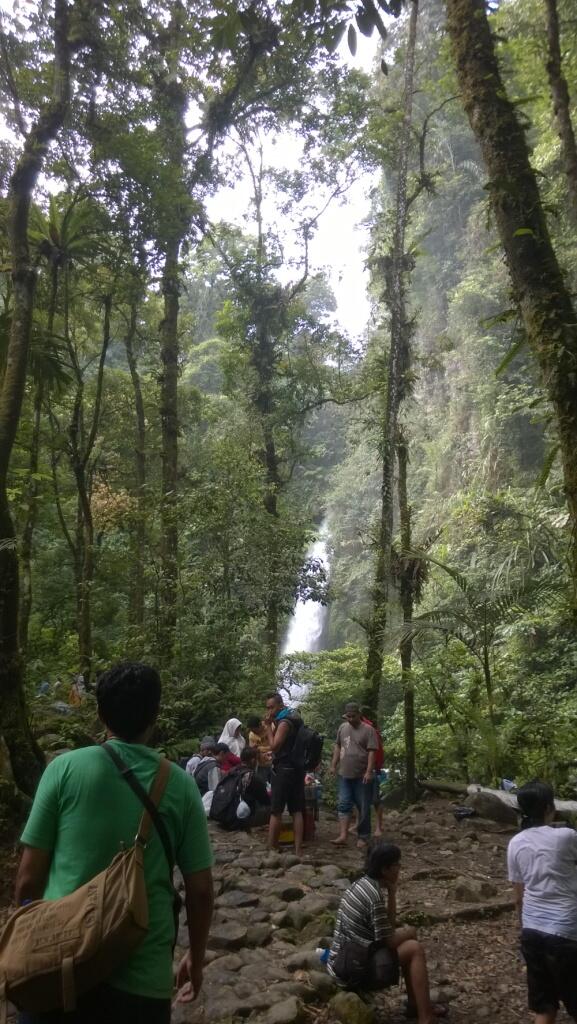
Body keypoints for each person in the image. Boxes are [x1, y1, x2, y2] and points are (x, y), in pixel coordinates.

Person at [15, 661, 214, 1024]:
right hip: (141, 983)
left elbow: (28, 878)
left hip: (59, 968)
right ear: (155, 714)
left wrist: (23, 946)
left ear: (100, 712)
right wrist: (196, 959)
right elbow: (200, 892)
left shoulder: (63, 769)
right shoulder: (181, 786)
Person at [328, 841, 445, 1024]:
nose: (399, 868)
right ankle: (425, 1017)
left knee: (408, 942)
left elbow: (387, 927)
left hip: (346, 959)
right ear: (385, 869)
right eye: (397, 865)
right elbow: (389, 940)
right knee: (414, 948)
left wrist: (392, 894)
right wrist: (410, 931)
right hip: (352, 970)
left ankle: (416, 1005)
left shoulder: (363, 884)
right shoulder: (373, 897)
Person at [507, 780, 577, 1024]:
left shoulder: (515, 843)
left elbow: (518, 896)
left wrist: (523, 928)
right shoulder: (567, 837)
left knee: (544, 1008)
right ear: (550, 807)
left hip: (532, 933)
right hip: (565, 933)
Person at [330, 701, 378, 848]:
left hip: (361, 774)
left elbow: (372, 751)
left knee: (363, 806)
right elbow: (338, 746)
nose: (350, 719)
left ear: (359, 715)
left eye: (352, 716)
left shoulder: (368, 730)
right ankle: (343, 835)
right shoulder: (343, 728)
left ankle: (363, 836)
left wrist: (369, 771)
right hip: (344, 774)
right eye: (347, 717)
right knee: (344, 803)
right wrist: (333, 764)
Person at [263, 692, 305, 858]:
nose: (269, 711)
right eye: (267, 708)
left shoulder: (284, 723)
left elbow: (274, 746)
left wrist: (267, 727)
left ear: (280, 705)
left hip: (284, 770)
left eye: (272, 707)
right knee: (297, 810)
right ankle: (298, 850)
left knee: (276, 810)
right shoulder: (295, 717)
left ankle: (272, 848)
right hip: (297, 768)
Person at [349, 708, 386, 837]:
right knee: (358, 799)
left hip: (371, 769)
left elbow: (375, 751)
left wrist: (373, 769)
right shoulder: (352, 729)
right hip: (358, 770)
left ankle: (378, 827)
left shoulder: (369, 730)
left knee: (375, 799)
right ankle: (358, 824)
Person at [247, 715, 272, 781]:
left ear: (260, 725)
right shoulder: (251, 735)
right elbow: (253, 750)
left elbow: (275, 745)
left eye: (255, 731)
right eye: (252, 731)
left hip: (274, 762)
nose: (254, 732)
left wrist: (260, 748)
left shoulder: (270, 727)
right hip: (261, 765)